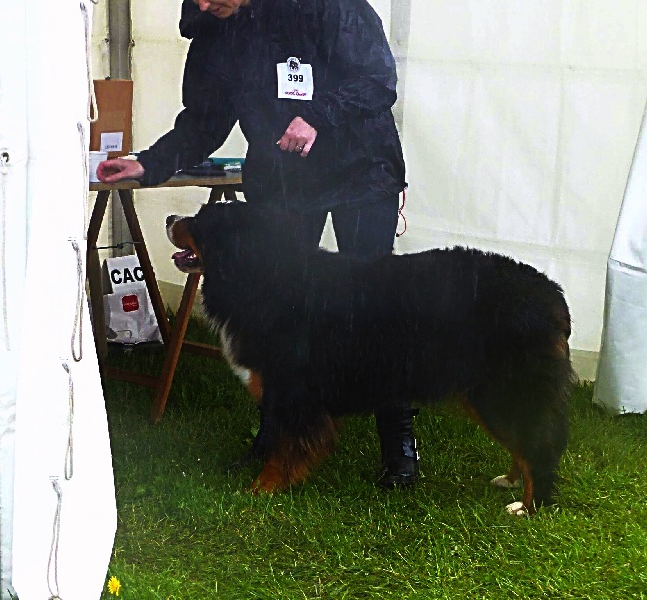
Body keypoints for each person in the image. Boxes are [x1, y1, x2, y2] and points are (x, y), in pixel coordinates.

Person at [97, 0, 419, 487]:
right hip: (284, 182)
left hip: (360, 172)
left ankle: (398, 448)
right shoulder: (214, 28)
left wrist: (318, 116)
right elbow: (204, 120)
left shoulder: (329, 7)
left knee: (371, 308)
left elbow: (377, 80)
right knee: (278, 314)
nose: (205, 4)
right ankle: (276, 439)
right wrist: (149, 162)